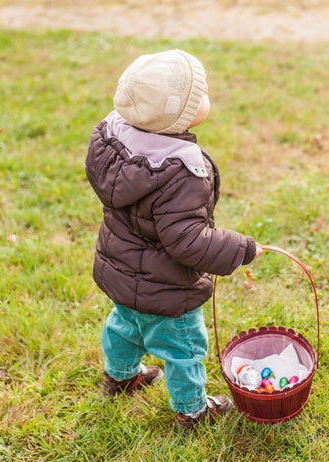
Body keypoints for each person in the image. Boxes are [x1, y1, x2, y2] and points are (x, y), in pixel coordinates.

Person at [85, 49, 263, 430]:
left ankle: (119, 377)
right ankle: (192, 409)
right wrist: (242, 248)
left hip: (120, 270)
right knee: (184, 348)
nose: (206, 93)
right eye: (198, 95)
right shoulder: (180, 171)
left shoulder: (115, 141)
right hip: (166, 287)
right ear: (175, 116)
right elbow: (187, 241)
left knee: (125, 325)